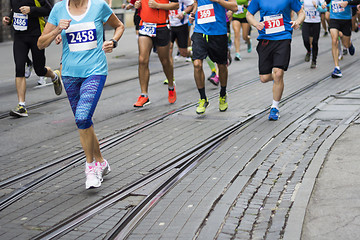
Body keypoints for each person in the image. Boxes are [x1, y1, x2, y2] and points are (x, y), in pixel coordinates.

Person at [37, 0, 124, 189]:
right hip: (69, 74)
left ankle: (91, 167)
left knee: (83, 116)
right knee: (83, 121)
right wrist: (56, 31)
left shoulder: (99, 6)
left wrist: (113, 42)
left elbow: (119, 25)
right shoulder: (59, 9)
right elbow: (40, 43)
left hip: (95, 71)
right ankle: (101, 161)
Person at [2, 0, 63, 118]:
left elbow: (49, 10)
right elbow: (14, 12)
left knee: (39, 70)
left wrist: (31, 10)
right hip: (19, 36)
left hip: (37, 35)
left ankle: (54, 75)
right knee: (19, 68)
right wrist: (9, 20)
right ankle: (21, 106)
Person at [246, 0, 305, 121]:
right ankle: (277, 79)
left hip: (283, 37)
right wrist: (256, 24)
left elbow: (301, 12)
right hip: (265, 39)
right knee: (264, 78)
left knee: (278, 72)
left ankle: (275, 107)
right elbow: (248, 14)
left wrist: (297, 22)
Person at [189, 0, 238, 114]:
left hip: (218, 32)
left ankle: (223, 94)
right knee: (197, 64)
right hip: (200, 31)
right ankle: (203, 98)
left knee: (221, 65)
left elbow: (234, 7)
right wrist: (193, 13)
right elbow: (196, 3)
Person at [133, 0, 179, 107]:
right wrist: (137, 5)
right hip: (145, 26)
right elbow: (136, 4)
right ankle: (144, 95)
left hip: (161, 27)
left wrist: (158, 5)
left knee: (165, 60)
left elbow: (176, 5)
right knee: (142, 60)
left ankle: (171, 87)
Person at [163, 0, 194, 84]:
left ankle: (192, 54)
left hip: (181, 25)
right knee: (169, 49)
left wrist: (183, 13)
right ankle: (170, 77)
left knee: (183, 52)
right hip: (168, 26)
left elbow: (191, 5)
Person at [323, 0, 356, 78]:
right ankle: (337, 68)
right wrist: (325, 3)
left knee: (346, 44)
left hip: (346, 20)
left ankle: (349, 44)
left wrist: (347, 3)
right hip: (334, 19)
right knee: (334, 40)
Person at [302, 0, 323, 68]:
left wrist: (316, 6)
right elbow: (298, 6)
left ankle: (314, 60)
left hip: (316, 22)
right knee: (305, 40)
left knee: (315, 42)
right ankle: (308, 51)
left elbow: (324, 9)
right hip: (306, 21)